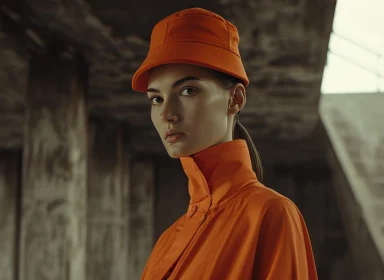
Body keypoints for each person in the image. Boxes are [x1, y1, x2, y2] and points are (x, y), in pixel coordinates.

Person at [131, 7, 318, 280]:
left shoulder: (271, 214)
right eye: (156, 98)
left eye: (188, 90)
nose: (166, 113)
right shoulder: (168, 239)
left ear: (236, 99)